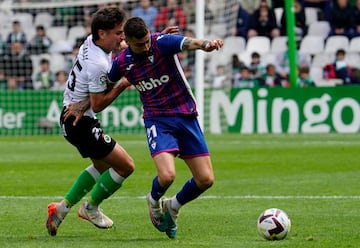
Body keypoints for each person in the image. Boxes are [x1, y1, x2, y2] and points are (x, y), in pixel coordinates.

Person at [107, 17, 222, 239]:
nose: (146, 46)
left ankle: (174, 206)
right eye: (140, 44)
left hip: (186, 115)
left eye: (147, 40)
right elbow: (104, 84)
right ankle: (153, 200)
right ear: (128, 42)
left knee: (206, 179)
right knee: (167, 175)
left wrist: (207, 44)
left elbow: (191, 42)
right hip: (157, 120)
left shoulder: (161, 42)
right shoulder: (122, 62)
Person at [45, 7, 135, 237]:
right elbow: (98, 104)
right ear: (102, 33)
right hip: (80, 123)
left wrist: (141, 44)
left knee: (102, 165)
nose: (121, 37)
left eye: (122, 32)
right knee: (125, 166)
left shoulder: (92, 41)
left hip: (73, 116)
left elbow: (123, 47)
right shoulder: (98, 64)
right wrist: (123, 85)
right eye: (117, 33)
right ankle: (90, 208)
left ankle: (61, 210)